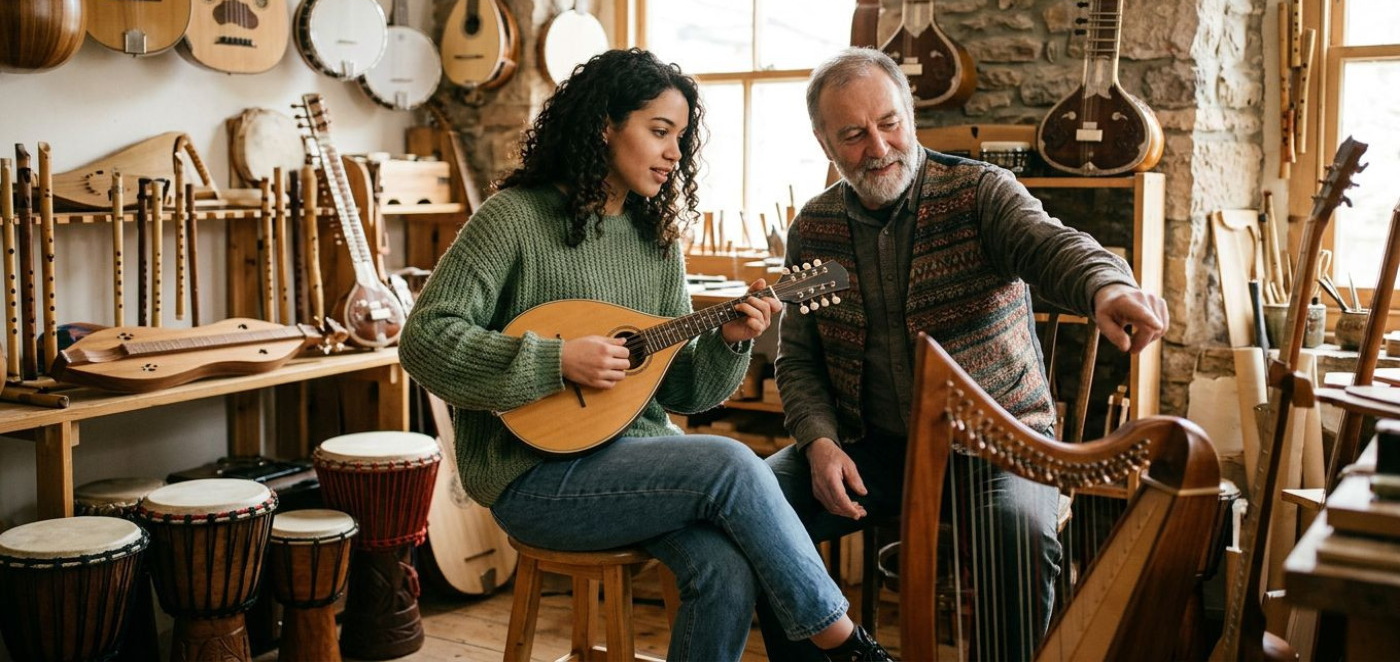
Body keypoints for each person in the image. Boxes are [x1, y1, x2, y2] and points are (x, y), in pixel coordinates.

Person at [399, 48, 891, 662]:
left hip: (636, 465)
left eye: (680, 137)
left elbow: (682, 390)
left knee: (724, 568)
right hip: (533, 481)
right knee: (731, 461)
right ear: (605, 125)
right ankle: (846, 646)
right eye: (659, 131)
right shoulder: (513, 219)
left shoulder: (656, 241)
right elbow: (424, 340)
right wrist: (556, 361)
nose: (674, 153)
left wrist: (729, 341)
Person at [758, 47, 1169, 662]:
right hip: (872, 447)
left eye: (889, 123)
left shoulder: (979, 192)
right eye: (853, 135)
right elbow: (799, 359)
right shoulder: (814, 229)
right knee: (753, 507)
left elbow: (1052, 245)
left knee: (1018, 533)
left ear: (911, 116)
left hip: (999, 441)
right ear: (824, 144)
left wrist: (1107, 288)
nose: (878, 147)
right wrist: (818, 441)